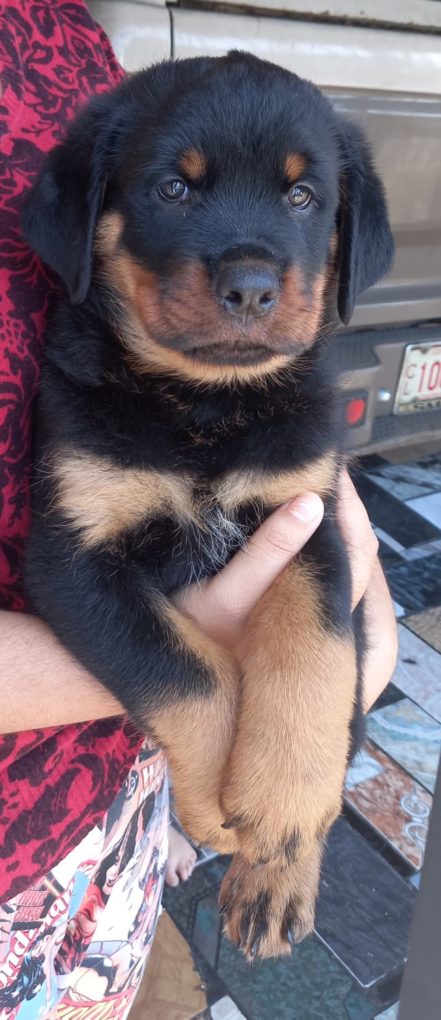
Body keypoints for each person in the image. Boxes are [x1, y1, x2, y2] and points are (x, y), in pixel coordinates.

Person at [0, 1, 397, 1015]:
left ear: (348, 236)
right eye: (179, 189)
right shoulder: (90, 403)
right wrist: (207, 722)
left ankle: (290, 841)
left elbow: (311, 557)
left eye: (304, 204)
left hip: (106, 853)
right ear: (89, 224)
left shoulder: (71, 37)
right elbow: (73, 567)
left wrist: (309, 749)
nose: (252, 268)